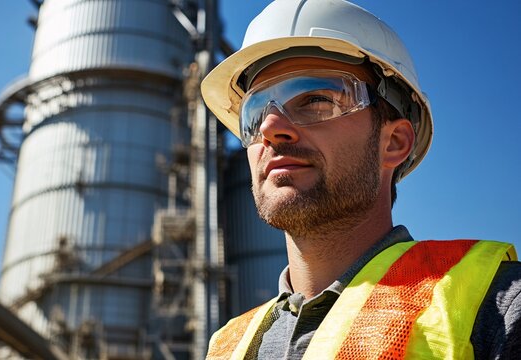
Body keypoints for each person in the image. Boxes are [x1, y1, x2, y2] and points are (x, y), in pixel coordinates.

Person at [200, 0, 521, 358]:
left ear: (394, 143)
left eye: (317, 100)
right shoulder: (225, 346)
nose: (270, 128)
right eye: (255, 113)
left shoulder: (496, 307)